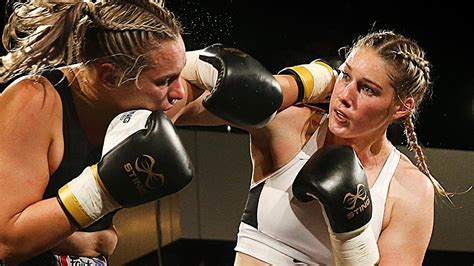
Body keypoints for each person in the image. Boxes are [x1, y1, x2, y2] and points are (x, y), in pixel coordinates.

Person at [0, 0, 282, 265]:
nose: (179, 91)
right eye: (165, 80)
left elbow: (261, 98)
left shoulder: (149, 100)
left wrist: (321, 78)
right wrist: (98, 195)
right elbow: (7, 243)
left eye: (179, 73)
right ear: (110, 76)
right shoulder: (35, 102)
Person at [180, 29, 452, 265]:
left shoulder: (409, 190)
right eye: (345, 76)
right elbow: (178, 104)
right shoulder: (291, 126)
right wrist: (297, 83)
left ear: (402, 107)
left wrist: (352, 242)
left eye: (367, 89)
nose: (344, 96)